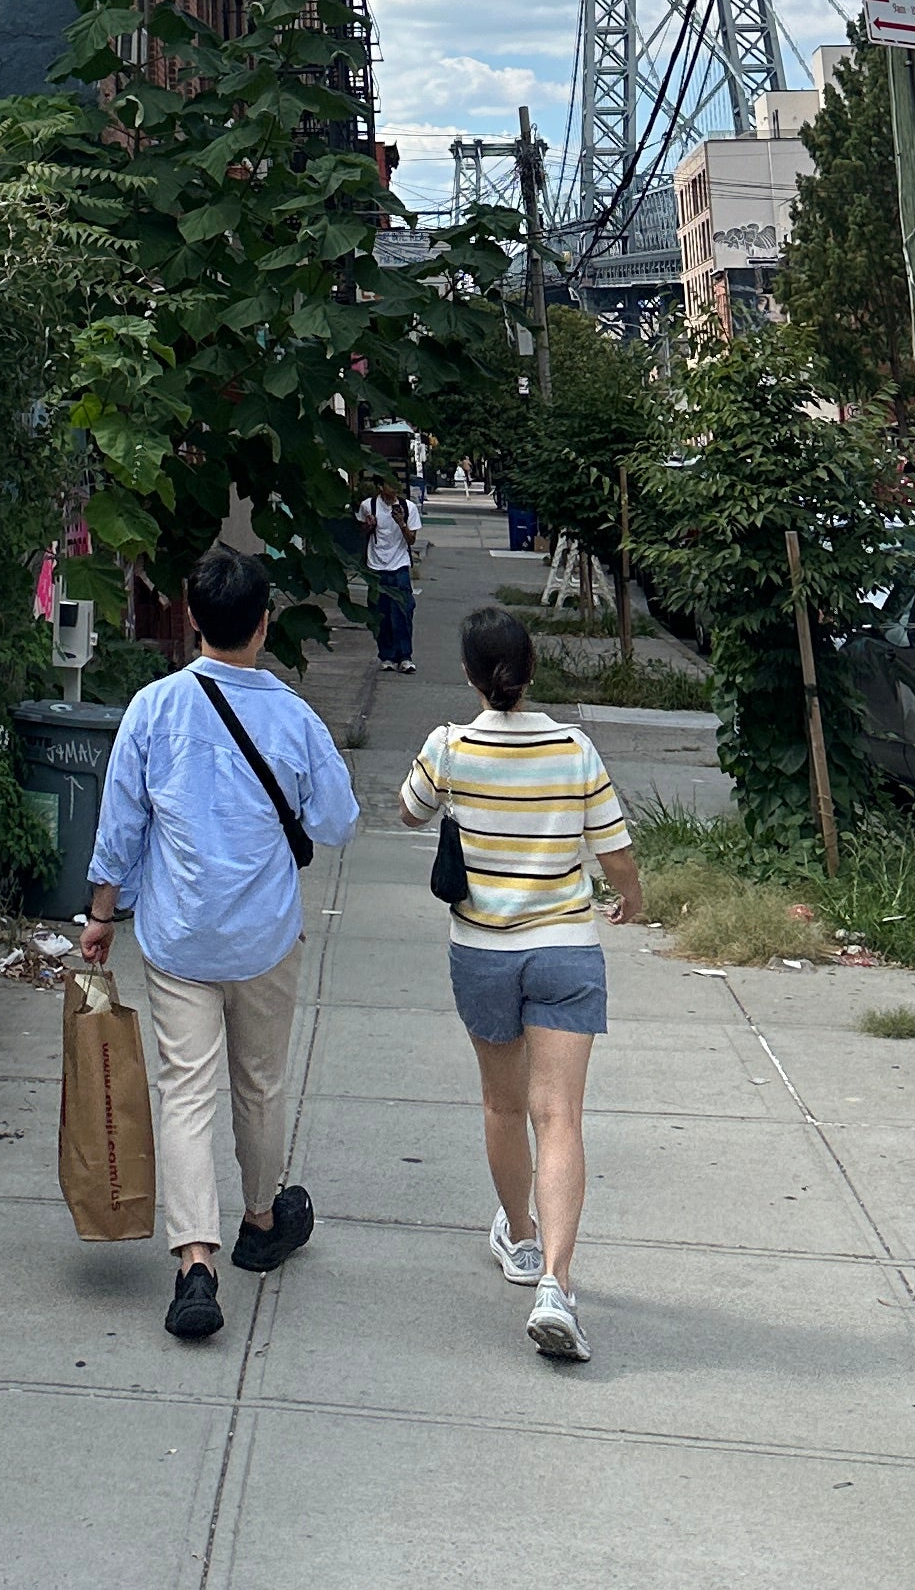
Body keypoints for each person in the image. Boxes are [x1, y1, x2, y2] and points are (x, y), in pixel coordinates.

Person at [79, 547, 360, 1342]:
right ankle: (263, 1221)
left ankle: (193, 1263)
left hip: (178, 939)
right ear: (265, 623)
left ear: (192, 618)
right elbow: (337, 823)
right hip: (265, 937)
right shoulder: (294, 717)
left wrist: (102, 915)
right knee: (262, 1084)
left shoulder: (153, 709)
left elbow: (121, 830)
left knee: (187, 1091)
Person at [398, 601, 643, 1366]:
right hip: (567, 948)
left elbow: (408, 814)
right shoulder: (574, 748)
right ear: (530, 669)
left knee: (504, 1105)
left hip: (482, 951)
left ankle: (524, 1243)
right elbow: (616, 850)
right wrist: (632, 900)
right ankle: (558, 1290)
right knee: (559, 1116)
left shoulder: (450, 745)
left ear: (471, 675)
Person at [358, 478, 416, 668]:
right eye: (391, 488)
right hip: (376, 566)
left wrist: (401, 523)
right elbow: (361, 532)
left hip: (400, 565)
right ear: (381, 488)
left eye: (397, 488)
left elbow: (412, 540)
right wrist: (369, 525)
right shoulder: (368, 506)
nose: (394, 493)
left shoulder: (408, 508)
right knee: (380, 613)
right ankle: (387, 656)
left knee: (403, 612)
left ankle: (405, 656)